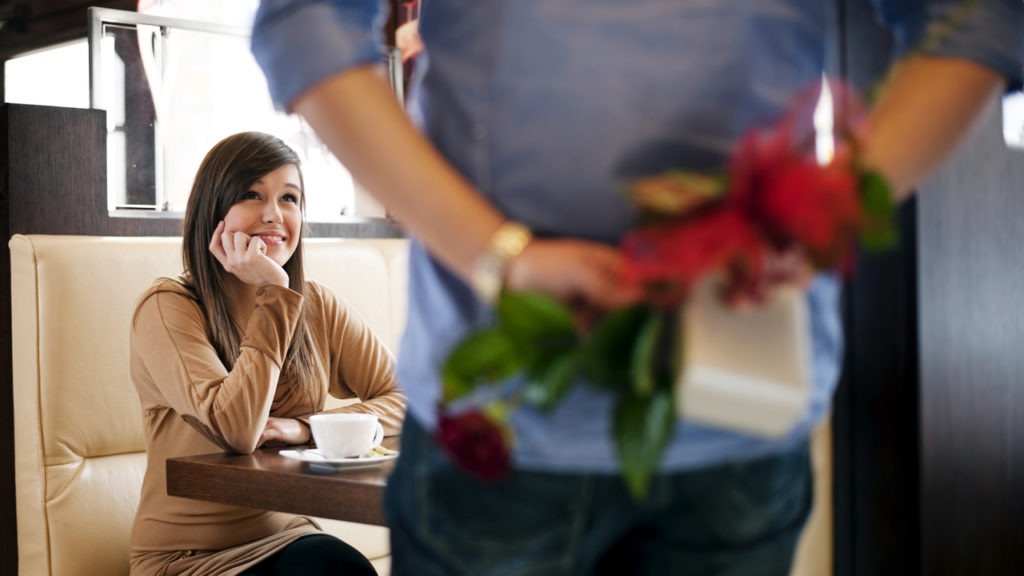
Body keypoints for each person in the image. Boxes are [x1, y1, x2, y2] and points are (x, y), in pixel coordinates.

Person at [252, 2, 1023, 575]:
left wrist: (818, 211)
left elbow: (977, 19)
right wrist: (505, 256)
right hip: (501, 419)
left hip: (739, 402)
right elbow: (308, 21)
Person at [128, 131, 406, 576]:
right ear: (213, 211)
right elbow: (236, 430)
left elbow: (411, 399)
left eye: (289, 198)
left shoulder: (316, 306)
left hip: (291, 536)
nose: (274, 214)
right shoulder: (168, 308)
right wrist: (274, 292)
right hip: (191, 559)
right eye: (252, 195)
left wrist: (305, 427)